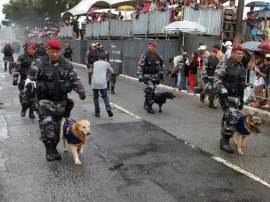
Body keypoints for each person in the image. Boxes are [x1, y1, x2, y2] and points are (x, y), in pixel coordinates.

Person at [23, 40, 86, 161]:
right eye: (52, 52)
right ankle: (49, 150)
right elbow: (30, 81)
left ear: (60, 51)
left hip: (61, 101)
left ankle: (54, 148)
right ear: (47, 50)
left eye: (57, 52)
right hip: (44, 100)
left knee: (57, 127)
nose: (55, 54)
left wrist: (81, 90)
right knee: (47, 123)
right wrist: (27, 99)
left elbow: (74, 78)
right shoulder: (39, 63)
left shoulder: (66, 64)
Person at [213, 45, 246, 153]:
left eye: (242, 54)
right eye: (238, 53)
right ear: (232, 53)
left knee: (228, 116)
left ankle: (224, 134)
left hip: (236, 97)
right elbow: (216, 78)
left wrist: (242, 100)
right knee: (232, 115)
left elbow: (241, 84)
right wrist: (222, 89)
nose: (240, 56)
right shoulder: (224, 64)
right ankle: (225, 141)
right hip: (224, 96)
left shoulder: (241, 67)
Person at [13, 43, 39, 118]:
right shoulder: (21, 57)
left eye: (32, 49)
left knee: (34, 98)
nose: (31, 50)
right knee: (23, 96)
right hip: (24, 80)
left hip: (34, 81)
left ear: (35, 50)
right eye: (29, 49)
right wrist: (15, 77)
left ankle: (31, 112)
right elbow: (17, 68)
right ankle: (24, 109)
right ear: (26, 49)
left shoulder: (39, 59)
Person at [137, 42, 165, 114]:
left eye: (151, 46)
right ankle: (149, 107)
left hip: (155, 77)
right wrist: (140, 76)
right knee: (151, 89)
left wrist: (161, 74)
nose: (149, 47)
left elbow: (162, 65)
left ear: (154, 48)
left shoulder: (158, 56)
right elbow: (140, 66)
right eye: (149, 46)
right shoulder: (144, 55)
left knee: (150, 91)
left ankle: (146, 101)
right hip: (147, 76)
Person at [92, 52, 114, 118]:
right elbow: (112, 71)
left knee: (96, 97)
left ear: (98, 58)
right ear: (105, 58)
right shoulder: (106, 63)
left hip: (95, 82)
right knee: (105, 96)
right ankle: (108, 108)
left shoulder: (95, 63)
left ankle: (97, 112)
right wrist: (109, 74)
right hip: (103, 82)